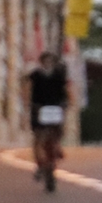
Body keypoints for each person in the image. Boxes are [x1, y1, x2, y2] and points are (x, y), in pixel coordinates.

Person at [27, 54, 69, 192]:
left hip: (40, 109)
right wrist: (65, 105)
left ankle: (41, 165)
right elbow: (67, 91)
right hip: (56, 109)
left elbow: (25, 89)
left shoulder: (35, 75)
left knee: (38, 140)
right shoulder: (59, 75)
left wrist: (28, 104)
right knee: (56, 134)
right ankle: (56, 149)